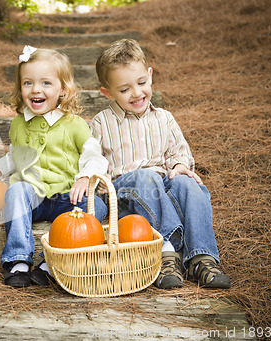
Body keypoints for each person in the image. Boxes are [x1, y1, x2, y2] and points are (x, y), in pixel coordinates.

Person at [90, 39, 230, 289]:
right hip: (127, 197)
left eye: (141, 83)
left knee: (189, 183)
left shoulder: (164, 118)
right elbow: (93, 164)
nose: (136, 93)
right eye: (124, 90)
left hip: (163, 188)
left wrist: (179, 167)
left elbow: (180, 152)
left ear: (150, 76)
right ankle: (166, 252)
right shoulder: (101, 123)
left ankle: (201, 257)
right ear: (107, 92)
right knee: (146, 177)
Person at [0, 46, 108, 288]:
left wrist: (84, 178)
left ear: (63, 90)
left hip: (68, 200)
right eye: (28, 83)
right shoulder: (18, 124)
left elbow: (94, 156)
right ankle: (19, 260)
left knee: (97, 206)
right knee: (15, 191)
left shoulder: (74, 125)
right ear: (20, 88)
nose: (36, 89)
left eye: (46, 83)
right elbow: (17, 156)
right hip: (33, 197)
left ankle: (51, 262)